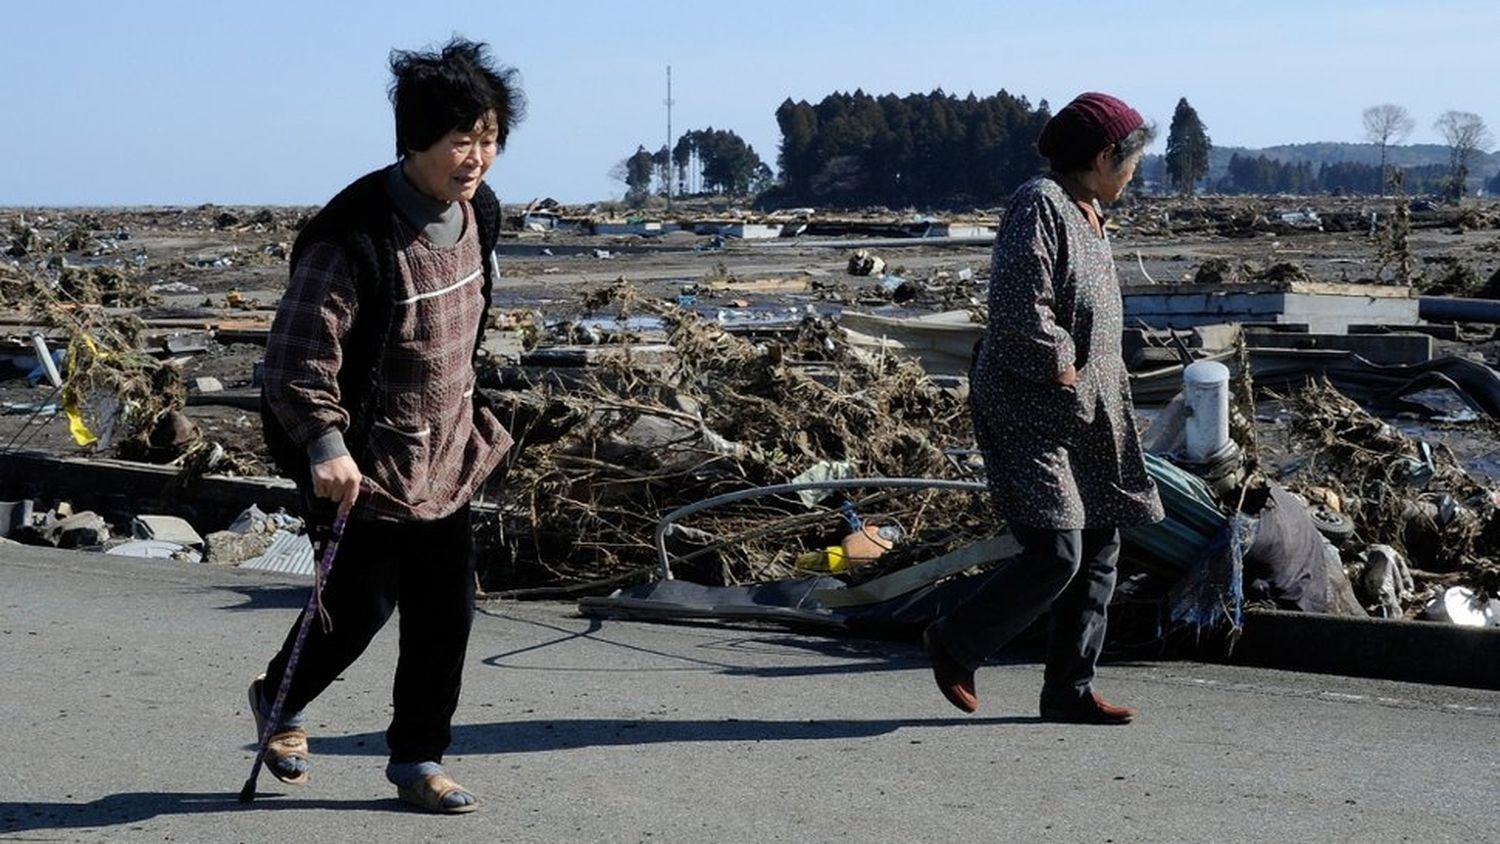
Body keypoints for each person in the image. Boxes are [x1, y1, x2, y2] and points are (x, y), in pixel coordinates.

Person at [249, 38, 523, 813]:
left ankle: (418, 761)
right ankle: (279, 696)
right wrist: (325, 446)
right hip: (365, 460)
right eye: (459, 141)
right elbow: (297, 359)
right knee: (360, 607)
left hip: (448, 447)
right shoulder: (353, 237)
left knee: (447, 612)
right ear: (414, 141)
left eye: (489, 138)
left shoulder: (481, 215)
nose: (475, 159)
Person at [922, 92, 1164, 724]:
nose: (1137, 173)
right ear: (1107, 156)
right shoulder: (1041, 203)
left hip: (1090, 407)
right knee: (1057, 549)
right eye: (1133, 159)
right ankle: (956, 640)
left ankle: (1069, 690)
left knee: (1101, 543)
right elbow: (1020, 300)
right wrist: (1058, 363)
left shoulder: (1090, 212)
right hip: (1033, 404)